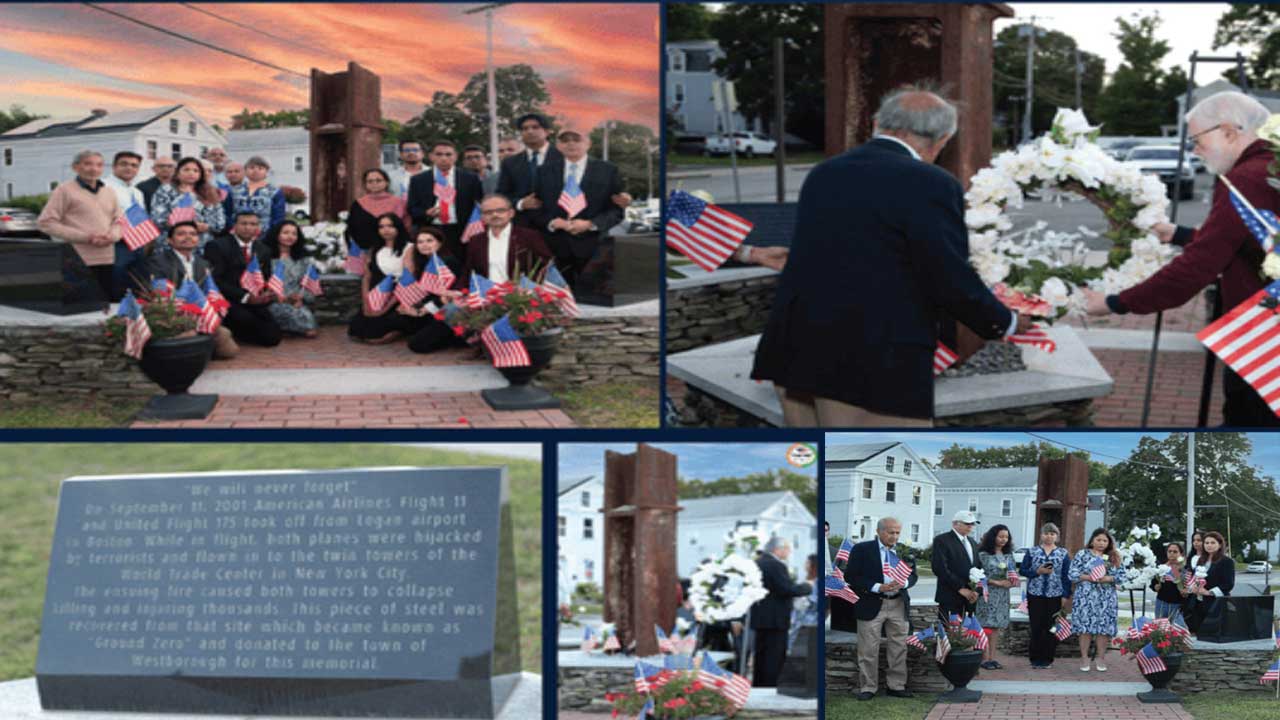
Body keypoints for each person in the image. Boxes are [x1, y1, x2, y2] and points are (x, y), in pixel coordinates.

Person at [750, 86, 1032, 427]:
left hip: (796, 352)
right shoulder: (931, 183)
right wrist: (1004, 321)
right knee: (881, 460)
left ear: (876, 124)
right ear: (942, 140)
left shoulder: (824, 172)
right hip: (868, 365)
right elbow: (946, 275)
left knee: (816, 457)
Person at [1083, 91, 1280, 425]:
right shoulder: (1269, 167)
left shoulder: (1245, 179)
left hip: (1264, 335)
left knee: (1249, 425)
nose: (1194, 150)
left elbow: (1198, 267)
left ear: (1229, 132)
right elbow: (1252, 241)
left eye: (1197, 140)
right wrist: (1178, 234)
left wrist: (1116, 302)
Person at [533, 127, 626, 283]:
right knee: (559, 296)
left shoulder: (608, 170)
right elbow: (536, 208)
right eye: (565, 140)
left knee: (594, 297)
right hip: (555, 248)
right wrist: (552, 222)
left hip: (595, 248)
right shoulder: (544, 171)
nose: (571, 144)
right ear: (558, 145)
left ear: (588, 143)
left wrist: (590, 224)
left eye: (577, 139)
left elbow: (616, 211)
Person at [845, 517, 917, 701]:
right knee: (868, 648)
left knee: (898, 647)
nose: (895, 536)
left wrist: (904, 583)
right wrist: (877, 587)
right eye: (891, 532)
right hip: (870, 603)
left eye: (898, 532)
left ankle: (896, 686)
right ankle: (868, 687)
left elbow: (913, 575)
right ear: (879, 531)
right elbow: (851, 576)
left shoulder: (905, 551)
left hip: (898, 603)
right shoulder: (862, 549)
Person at [146, 221, 239, 359]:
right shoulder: (158, 261)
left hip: (201, 314)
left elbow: (211, 292)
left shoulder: (203, 263)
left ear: (198, 240)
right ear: (169, 240)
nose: (188, 237)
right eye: (181, 234)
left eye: (193, 234)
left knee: (229, 350)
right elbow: (161, 292)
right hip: (172, 315)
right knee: (194, 337)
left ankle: (200, 348)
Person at [37, 150, 122, 298]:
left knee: (104, 304)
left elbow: (119, 221)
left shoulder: (109, 192)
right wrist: (86, 237)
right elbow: (46, 223)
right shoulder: (64, 190)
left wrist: (112, 236)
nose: (94, 169)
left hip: (107, 258)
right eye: (88, 164)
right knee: (81, 305)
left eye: (99, 165)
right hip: (77, 260)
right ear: (75, 167)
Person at [203, 211, 282, 347]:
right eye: (243, 223)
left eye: (253, 224)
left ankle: (243, 333)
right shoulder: (217, 246)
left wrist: (266, 293)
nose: (248, 228)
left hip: (255, 299)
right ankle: (231, 333)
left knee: (273, 338)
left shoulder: (263, 249)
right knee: (245, 319)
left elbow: (266, 277)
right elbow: (215, 280)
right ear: (235, 226)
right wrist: (245, 297)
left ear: (258, 227)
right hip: (227, 299)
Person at [749, 537, 811, 688]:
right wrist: (807, 587)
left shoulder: (757, 562)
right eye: (787, 549)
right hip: (775, 618)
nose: (789, 552)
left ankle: (758, 684)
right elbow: (786, 588)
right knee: (774, 656)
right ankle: (771, 686)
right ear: (778, 549)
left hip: (760, 617)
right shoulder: (775, 565)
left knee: (761, 655)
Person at [407, 140, 483, 259]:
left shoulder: (470, 178)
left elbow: (479, 204)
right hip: (432, 230)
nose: (443, 158)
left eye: (448, 154)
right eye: (439, 154)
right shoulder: (418, 180)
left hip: (461, 230)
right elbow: (412, 208)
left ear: (456, 156)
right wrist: (426, 213)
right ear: (431, 156)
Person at [348, 213, 414, 344]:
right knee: (356, 330)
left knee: (375, 335)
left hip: (398, 296)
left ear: (398, 227)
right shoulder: (375, 249)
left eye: (390, 226)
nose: (386, 230)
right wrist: (366, 301)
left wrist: (386, 308)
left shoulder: (409, 248)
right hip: (377, 294)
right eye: (381, 227)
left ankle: (399, 331)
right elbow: (367, 277)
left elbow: (407, 281)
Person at [461, 194, 554, 286]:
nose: (495, 215)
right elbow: (468, 273)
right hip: (486, 293)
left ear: (511, 213)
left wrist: (529, 286)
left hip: (519, 293)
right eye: (488, 212)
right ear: (482, 217)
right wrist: (458, 291)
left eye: (500, 210)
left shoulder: (529, 236)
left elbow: (547, 267)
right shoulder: (475, 240)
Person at [1068, 528, 1125, 673]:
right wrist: (1089, 577)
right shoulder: (1082, 554)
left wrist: (1108, 578)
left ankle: (1101, 658)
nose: (1101, 543)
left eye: (1105, 540)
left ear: (1109, 543)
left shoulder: (1113, 556)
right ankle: (1084, 658)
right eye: (1098, 540)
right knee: (1084, 628)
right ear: (1092, 540)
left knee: (1103, 629)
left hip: (1106, 598)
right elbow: (1072, 573)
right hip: (1085, 597)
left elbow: (1122, 576)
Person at [404, 226, 466, 355]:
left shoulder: (447, 262)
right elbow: (426, 291)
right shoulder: (423, 261)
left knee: (416, 345)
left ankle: (455, 338)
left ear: (440, 243)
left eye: (429, 241)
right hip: (432, 306)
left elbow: (449, 295)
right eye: (420, 242)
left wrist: (424, 309)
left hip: (450, 308)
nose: (424, 245)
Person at [1020, 523, 1072, 669]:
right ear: (1041, 535)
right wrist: (1037, 572)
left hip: (1055, 595)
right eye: (1046, 533)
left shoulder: (1062, 553)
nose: (1049, 536)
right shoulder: (1032, 551)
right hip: (1035, 594)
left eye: (1052, 534)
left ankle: (1047, 659)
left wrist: (1065, 595)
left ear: (1057, 536)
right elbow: (1023, 570)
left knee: (1051, 628)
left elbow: (1066, 576)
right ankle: (1035, 659)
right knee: (1036, 627)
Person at [498, 112, 563, 229]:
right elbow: (502, 194)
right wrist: (521, 203)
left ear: (547, 131)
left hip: (557, 226)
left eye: (535, 127)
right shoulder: (510, 163)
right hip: (523, 226)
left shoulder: (563, 157)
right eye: (524, 129)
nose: (530, 131)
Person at [150, 156, 225, 251]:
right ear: (177, 172)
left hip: (202, 246)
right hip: (171, 246)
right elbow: (158, 219)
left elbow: (220, 222)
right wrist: (188, 226)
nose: (191, 173)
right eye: (186, 170)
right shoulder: (165, 190)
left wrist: (207, 226)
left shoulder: (210, 192)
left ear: (201, 174)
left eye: (196, 171)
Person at [261, 220, 319, 338]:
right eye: (285, 233)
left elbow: (308, 285)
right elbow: (258, 282)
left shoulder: (303, 259)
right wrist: (276, 296)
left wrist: (300, 297)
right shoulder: (265, 256)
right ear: (276, 234)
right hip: (273, 301)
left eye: (294, 233)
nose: (290, 236)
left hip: (296, 301)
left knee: (309, 324)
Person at [103, 151, 148, 300]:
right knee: (116, 284)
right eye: (124, 164)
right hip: (116, 243)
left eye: (134, 165)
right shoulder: (103, 186)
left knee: (135, 285)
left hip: (137, 243)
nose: (129, 168)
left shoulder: (137, 192)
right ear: (114, 166)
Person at [976, 523, 1017, 670]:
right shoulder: (983, 555)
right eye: (1000, 536)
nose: (1003, 539)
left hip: (1003, 596)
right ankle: (984, 658)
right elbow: (977, 575)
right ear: (993, 537)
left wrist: (1010, 582)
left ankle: (993, 658)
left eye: (1006, 537)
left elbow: (1013, 574)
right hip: (987, 594)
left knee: (996, 627)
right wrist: (996, 582)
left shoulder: (1008, 555)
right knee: (985, 625)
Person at [932, 511, 982, 620]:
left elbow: (978, 568)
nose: (970, 527)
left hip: (970, 599)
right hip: (950, 597)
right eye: (967, 523)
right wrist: (960, 588)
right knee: (950, 629)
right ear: (955, 524)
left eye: (972, 524)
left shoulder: (972, 542)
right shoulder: (942, 540)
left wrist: (976, 591)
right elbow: (940, 568)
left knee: (968, 629)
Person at [346, 169, 409, 251]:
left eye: (378, 180)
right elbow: (352, 228)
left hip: (393, 250)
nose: (374, 183)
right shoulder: (358, 204)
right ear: (365, 184)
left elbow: (406, 226)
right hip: (363, 251)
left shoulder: (399, 203)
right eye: (370, 181)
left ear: (387, 182)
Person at [1186, 530, 1236, 634]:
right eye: (1206, 543)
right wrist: (1193, 587)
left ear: (1220, 544)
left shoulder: (1226, 561)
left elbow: (1228, 584)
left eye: (1213, 543)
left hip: (1215, 603)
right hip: (1198, 603)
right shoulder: (1201, 560)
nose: (1209, 545)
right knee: (1197, 632)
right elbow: (1196, 577)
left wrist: (1209, 592)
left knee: (1212, 633)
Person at [225, 155, 285, 239]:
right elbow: (227, 212)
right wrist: (232, 227)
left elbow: (278, 217)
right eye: (252, 167)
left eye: (260, 168)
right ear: (245, 171)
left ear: (266, 172)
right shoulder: (234, 190)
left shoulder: (274, 192)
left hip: (264, 236)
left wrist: (270, 233)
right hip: (236, 235)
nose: (256, 171)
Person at [1151, 541, 1186, 623]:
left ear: (1181, 554)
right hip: (1161, 602)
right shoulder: (1161, 567)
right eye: (1169, 551)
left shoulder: (1184, 568)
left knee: (1175, 628)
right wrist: (1155, 586)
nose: (1172, 554)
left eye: (1175, 552)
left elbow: (1187, 584)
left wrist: (1185, 591)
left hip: (1177, 604)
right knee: (1160, 627)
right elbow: (1153, 582)